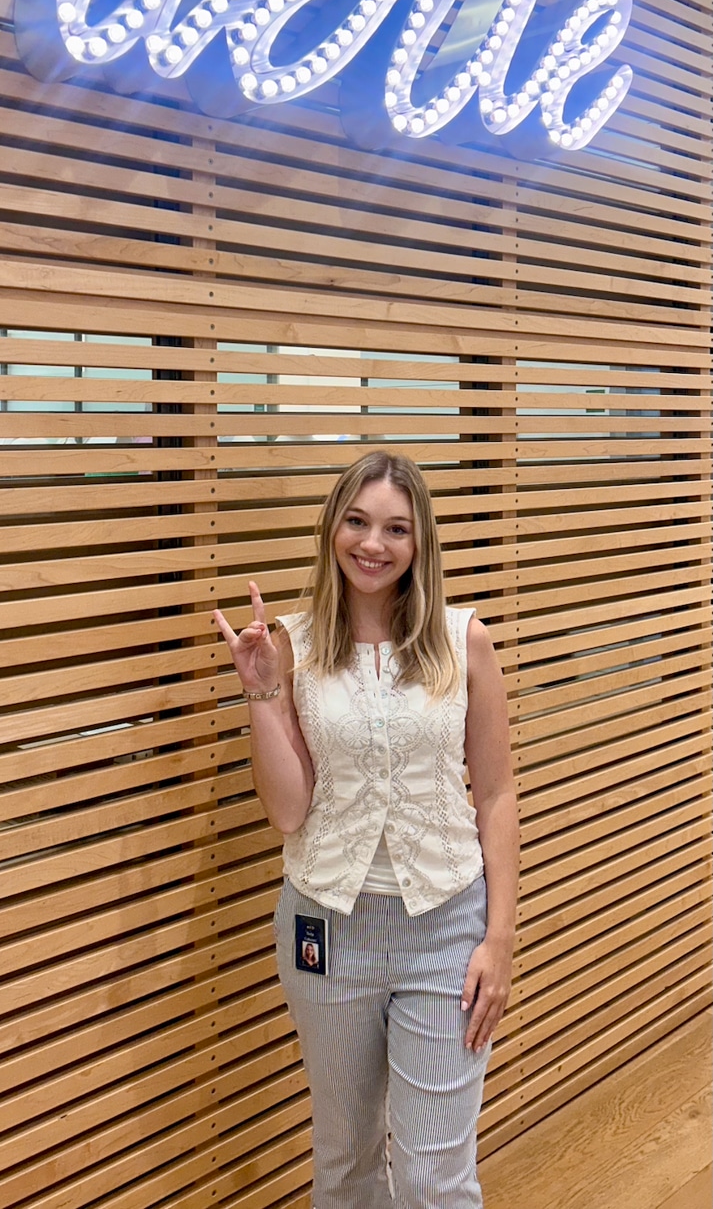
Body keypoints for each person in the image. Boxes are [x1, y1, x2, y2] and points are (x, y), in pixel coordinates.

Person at [213, 449, 518, 1209]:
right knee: (344, 1161)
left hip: (445, 928)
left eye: (394, 529)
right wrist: (260, 695)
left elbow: (497, 791)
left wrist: (499, 938)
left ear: (420, 545)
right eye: (356, 521)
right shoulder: (291, 644)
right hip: (326, 930)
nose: (372, 544)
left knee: (432, 1179)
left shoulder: (462, 639)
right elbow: (288, 812)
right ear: (331, 529)